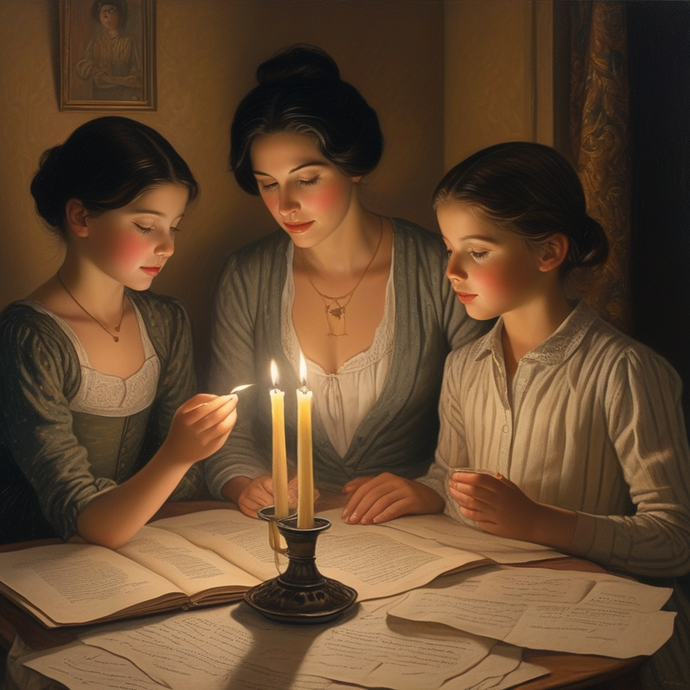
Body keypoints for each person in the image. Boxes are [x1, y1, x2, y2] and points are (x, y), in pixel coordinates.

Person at [415, 141, 690, 689]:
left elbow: (675, 538)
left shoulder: (627, 372)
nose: (450, 269)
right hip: (495, 621)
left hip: (612, 649)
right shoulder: (464, 367)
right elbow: (454, 487)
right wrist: (425, 490)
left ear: (548, 253)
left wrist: (542, 523)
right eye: (448, 247)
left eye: (477, 251)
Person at [204, 45, 485, 520]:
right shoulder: (247, 276)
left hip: (419, 531)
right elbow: (227, 435)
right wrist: (246, 484)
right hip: (288, 529)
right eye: (268, 184)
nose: (285, 204)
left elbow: (488, 426)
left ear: (354, 165)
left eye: (307, 179)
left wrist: (430, 490)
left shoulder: (440, 270)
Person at [0, 116, 237, 549]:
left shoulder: (166, 320)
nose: (167, 246)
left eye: (174, 226)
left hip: (143, 543)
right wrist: (178, 453)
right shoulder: (30, 337)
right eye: (146, 227)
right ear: (81, 216)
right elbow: (80, 515)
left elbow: (188, 486)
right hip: (34, 556)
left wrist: (185, 461)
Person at [75, 0, 143, 102]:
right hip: (101, 94)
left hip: (125, 94)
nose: (106, 16)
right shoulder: (96, 43)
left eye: (111, 11)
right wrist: (111, 79)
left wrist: (129, 80)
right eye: (103, 12)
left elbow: (137, 71)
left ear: (120, 14)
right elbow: (83, 67)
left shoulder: (129, 41)